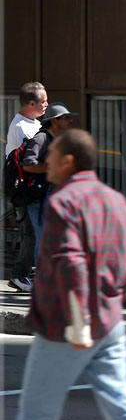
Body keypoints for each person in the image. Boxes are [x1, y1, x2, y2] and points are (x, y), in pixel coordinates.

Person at [14, 129, 126, 420]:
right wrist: (110, 299)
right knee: (124, 409)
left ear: (67, 161)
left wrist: (80, 320)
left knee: (36, 415)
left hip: (66, 324)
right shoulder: (115, 200)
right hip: (109, 323)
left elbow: (69, 263)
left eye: (50, 157)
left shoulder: (64, 201)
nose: (45, 162)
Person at [6, 82, 48, 293]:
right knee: (31, 233)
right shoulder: (22, 127)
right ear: (31, 103)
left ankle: (26, 273)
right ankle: (20, 274)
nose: (46, 105)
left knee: (32, 232)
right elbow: (29, 161)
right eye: (43, 101)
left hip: (33, 189)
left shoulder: (33, 124)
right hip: (25, 189)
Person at [22, 102, 77, 263]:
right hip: (38, 198)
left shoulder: (55, 138)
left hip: (49, 196)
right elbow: (28, 164)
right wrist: (52, 168)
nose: (70, 121)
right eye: (66, 118)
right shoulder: (42, 138)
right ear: (55, 120)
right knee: (44, 239)